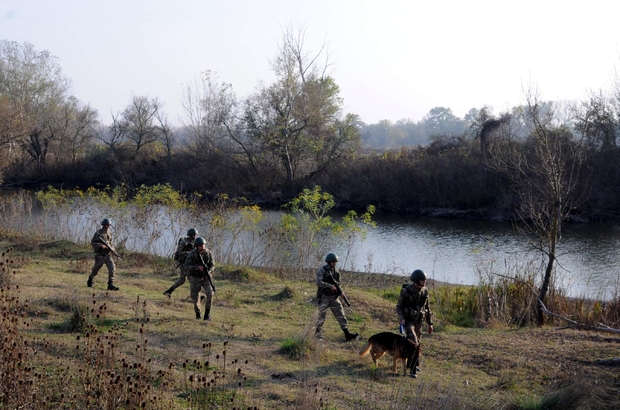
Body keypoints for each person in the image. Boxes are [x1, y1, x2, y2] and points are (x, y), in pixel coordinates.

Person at [396, 269, 434, 378]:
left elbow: (427, 308)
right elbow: (399, 307)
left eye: (425, 280)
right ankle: (413, 370)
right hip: (409, 321)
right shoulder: (406, 292)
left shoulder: (425, 291)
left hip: (419, 322)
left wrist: (430, 323)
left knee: (419, 344)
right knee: (414, 342)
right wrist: (402, 318)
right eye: (422, 280)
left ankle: (413, 363)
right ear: (417, 281)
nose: (424, 282)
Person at [315, 252, 359, 341]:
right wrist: (329, 286)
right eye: (333, 262)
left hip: (334, 297)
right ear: (329, 262)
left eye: (335, 262)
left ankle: (347, 334)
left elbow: (338, 284)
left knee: (341, 314)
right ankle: (317, 333)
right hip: (324, 297)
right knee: (321, 316)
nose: (335, 264)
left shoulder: (337, 272)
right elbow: (318, 282)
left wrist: (341, 292)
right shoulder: (322, 270)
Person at [184, 236, 215, 320]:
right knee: (195, 296)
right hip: (195, 277)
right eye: (201, 246)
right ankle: (198, 314)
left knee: (210, 294)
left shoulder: (208, 253)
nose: (203, 247)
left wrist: (208, 271)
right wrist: (197, 268)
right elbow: (186, 266)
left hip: (206, 277)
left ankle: (207, 315)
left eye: (204, 245)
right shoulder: (192, 254)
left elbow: (212, 265)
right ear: (197, 246)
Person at [163, 228, 198, 297]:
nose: (195, 236)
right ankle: (196, 296)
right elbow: (178, 252)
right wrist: (188, 253)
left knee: (182, 280)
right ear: (190, 235)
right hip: (183, 263)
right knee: (192, 279)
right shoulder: (184, 242)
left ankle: (168, 291)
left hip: (190, 263)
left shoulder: (194, 242)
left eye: (196, 235)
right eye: (194, 235)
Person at [87, 218, 119, 291]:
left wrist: (113, 249)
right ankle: (90, 279)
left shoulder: (110, 233)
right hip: (100, 255)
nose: (108, 226)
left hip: (108, 255)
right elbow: (93, 243)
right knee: (95, 270)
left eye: (109, 225)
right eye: (107, 225)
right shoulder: (98, 233)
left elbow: (110, 243)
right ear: (104, 225)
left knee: (112, 269)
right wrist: (100, 245)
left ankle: (110, 284)